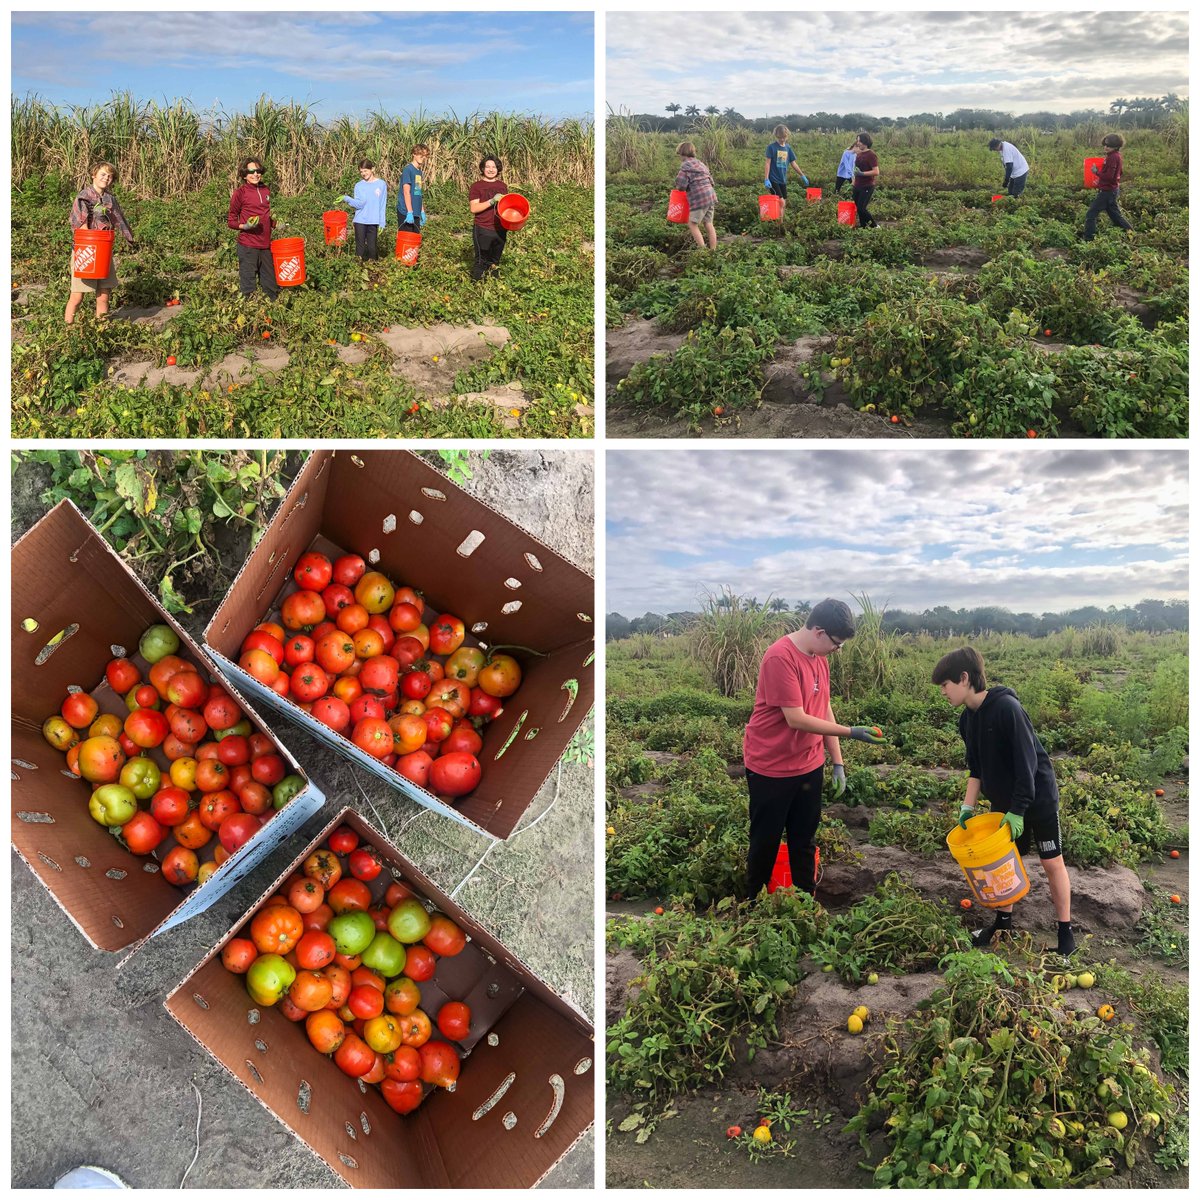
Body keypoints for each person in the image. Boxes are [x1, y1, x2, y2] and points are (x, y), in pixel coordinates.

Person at [932, 647, 1075, 957]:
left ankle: (1066, 936)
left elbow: (1028, 767)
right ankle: (1002, 924)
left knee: (1051, 862)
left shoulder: (1008, 708)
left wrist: (1018, 811)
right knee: (1005, 863)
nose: (942, 692)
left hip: (1037, 798)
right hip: (1005, 803)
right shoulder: (966, 721)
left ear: (964, 678)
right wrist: (967, 808)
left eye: (944, 685)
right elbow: (977, 768)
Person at [743, 598, 886, 898]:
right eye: (837, 643)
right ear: (819, 631)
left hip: (808, 765)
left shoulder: (819, 658)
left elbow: (823, 707)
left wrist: (837, 761)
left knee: (804, 839)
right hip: (771, 767)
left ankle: (805, 903)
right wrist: (851, 732)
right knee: (765, 840)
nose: (838, 650)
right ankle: (750, 903)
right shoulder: (779, 657)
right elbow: (796, 719)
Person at [65, 162, 135, 325]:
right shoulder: (83, 197)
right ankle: (68, 328)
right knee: (77, 296)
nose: (106, 178)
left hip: (104, 252)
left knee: (104, 294)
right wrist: (90, 248)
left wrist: (129, 237)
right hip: (86, 251)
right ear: (94, 175)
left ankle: (101, 328)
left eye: (110, 176)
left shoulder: (110, 199)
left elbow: (119, 219)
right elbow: (82, 228)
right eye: (103, 174)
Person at [227, 158, 278, 298]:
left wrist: (276, 224)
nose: (255, 174)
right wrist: (245, 226)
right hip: (248, 245)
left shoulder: (265, 189)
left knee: (271, 285)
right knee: (248, 284)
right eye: (251, 171)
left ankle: (271, 311)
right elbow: (231, 221)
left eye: (258, 171)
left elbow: (265, 216)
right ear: (244, 175)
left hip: (265, 244)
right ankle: (249, 310)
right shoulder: (240, 193)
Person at [1084, 133, 1134, 242]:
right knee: (1115, 215)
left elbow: (1110, 176)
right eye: (1105, 145)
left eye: (1109, 145)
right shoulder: (1115, 156)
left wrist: (1096, 172)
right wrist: (1101, 180)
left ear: (1116, 146)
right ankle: (1131, 232)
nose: (1106, 147)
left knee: (1091, 214)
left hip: (1107, 192)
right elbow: (1119, 173)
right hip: (1112, 190)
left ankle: (1089, 240)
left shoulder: (1112, 158)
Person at [468, 155, 511, 280]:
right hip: (483, 228)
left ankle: (494, 291)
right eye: (487, 167)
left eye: (493, 167)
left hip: (500, 229)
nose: (491, 169)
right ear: (482, 168)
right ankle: (475, 289)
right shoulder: (477, 186)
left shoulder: (502, 186)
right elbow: (474, 208)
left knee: (495, 262)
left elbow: (506, 208)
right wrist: (492, 201)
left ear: (498, 169)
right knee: (481, 262)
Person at [339, 159, 387, 261]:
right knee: (360, 248)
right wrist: (346, 198)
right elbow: (359, 204)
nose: (363, 174)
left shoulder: (381, 184)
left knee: (372, 248)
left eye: (365, 170)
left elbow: (382, 204)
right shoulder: (359, 186)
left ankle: (374, 269)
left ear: (372, 169)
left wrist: (382, 221)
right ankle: (358, 271)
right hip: (360, 220)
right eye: (361, 172)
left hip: (373, 220)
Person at [673, 141, 717, 251]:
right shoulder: (701, 165)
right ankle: (713, 250)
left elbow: (681, 186)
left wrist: (683, 188)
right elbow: (711, 181)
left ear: (682, 153)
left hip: (699, 199)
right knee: (708, 223)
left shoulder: (685, 168)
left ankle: (702, 251)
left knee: (692, 224)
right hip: (710, 196)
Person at [762, 124, 809, 217]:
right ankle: (779, 225)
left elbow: (793, 163)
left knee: (784, 203)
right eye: (780, 138)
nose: (782, 139)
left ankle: (780, 224)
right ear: (776, 136)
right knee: (781, 201)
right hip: (773, 179)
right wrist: (766, 178)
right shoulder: (771, 147)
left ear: (787, 136)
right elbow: (767, 163)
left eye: (784, 137)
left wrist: (802, 175)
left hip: (782, 179)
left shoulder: (788, 148)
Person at [398, 144, 429, 235]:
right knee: (406, 242)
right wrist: (410, 212)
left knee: (414, 244)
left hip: (416, 211)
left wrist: (422, 210)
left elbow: (417, 191)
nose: (423, 158)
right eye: (421, 155)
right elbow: (406, 192)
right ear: (414, 154)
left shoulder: (419, 172)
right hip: (406, 211)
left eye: (425, 156)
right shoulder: (408, 170)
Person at [851, 132, 880, 228]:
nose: (857, 143)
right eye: (857, 141)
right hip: (857, 185)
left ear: (865, 142)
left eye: (859, 141)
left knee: (861, 208)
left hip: (867, 185)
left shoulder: (871, 155)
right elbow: (856, 169)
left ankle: (875, 226)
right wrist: (854, 180)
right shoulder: (859, 154)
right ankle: (863, 226)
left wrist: (862, 174)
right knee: (858, 208)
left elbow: (876, 172)